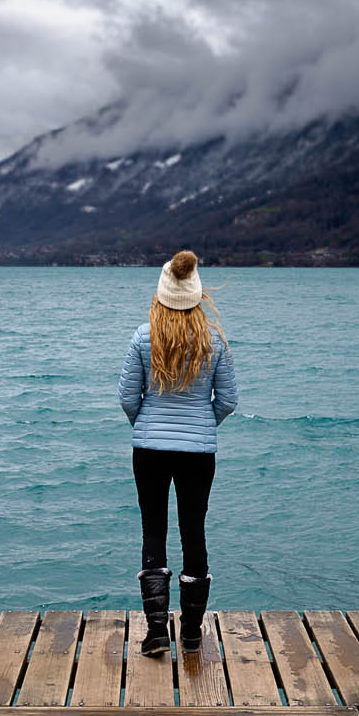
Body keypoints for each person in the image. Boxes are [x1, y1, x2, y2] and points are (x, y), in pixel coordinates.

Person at [119, 250, 239, 656]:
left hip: (148, 449)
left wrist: (146, 424)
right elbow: (228, 401)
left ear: (161, 295)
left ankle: (156, 633)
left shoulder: (142, 337)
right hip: (197, 454)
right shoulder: (214, 341)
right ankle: (190, 634)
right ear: (197, 295)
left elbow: (126, 398)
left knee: (153, 530)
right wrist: (202, 428)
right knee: (194, 531)